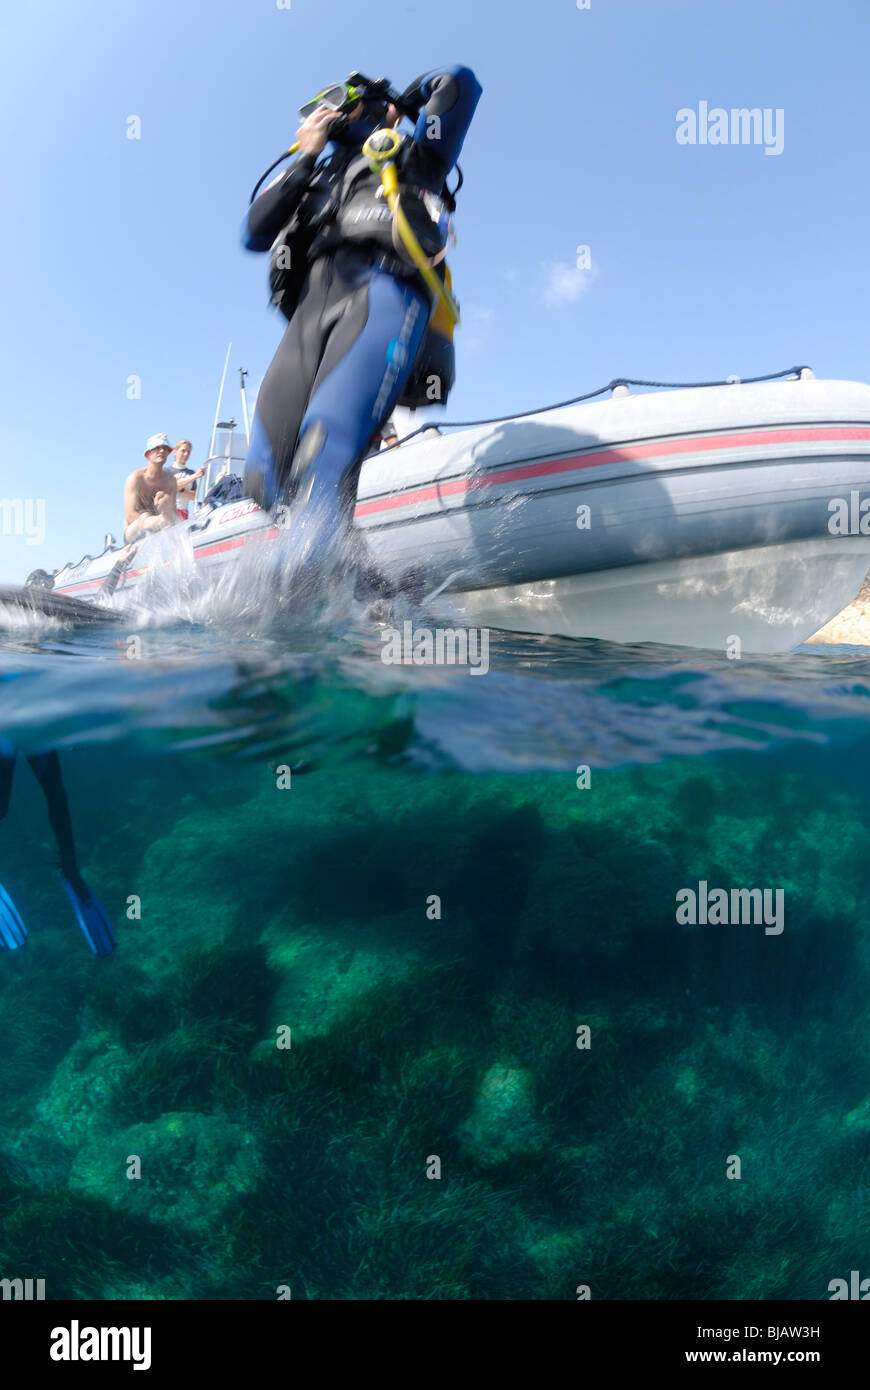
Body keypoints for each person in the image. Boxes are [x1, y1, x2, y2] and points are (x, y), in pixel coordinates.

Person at [241, 66, 481, 572]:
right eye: (314, 107)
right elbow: (253, 233)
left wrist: (395, 103)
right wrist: (308, 153)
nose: (322, 111)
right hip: (310, 316)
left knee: (323, 453)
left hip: (384, 295)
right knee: (263, 475)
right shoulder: (314, 178)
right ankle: (356, 581)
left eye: (334, 98)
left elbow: (459, 82)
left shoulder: (415, 156)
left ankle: (308, 591)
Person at [0, 738, 116, 955]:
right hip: (14, 723)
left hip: (28, 722)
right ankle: (69, 866)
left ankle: (69, 867)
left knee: (54, 792)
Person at [123, 434, 179, 542]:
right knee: (145, 517)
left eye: (165, 448)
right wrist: (153, 521)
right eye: (157, 448)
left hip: (161, 527)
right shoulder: (135, 478)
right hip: (133, 531)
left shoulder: (170, 481)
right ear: (148, 454)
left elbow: (172, 514)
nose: (161, 451)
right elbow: (130, 515)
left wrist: (165, 505)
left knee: (168, 519)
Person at [169, 439, 207, 521]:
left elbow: (194, 496)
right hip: (169, 512)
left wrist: (182, 490)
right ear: (175, 452)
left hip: (183, 513)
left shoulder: (190, 473)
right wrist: (195, 476)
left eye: (188, 452)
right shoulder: (167, 471)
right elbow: (173, 486)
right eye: (183, 451)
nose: (186, 454)